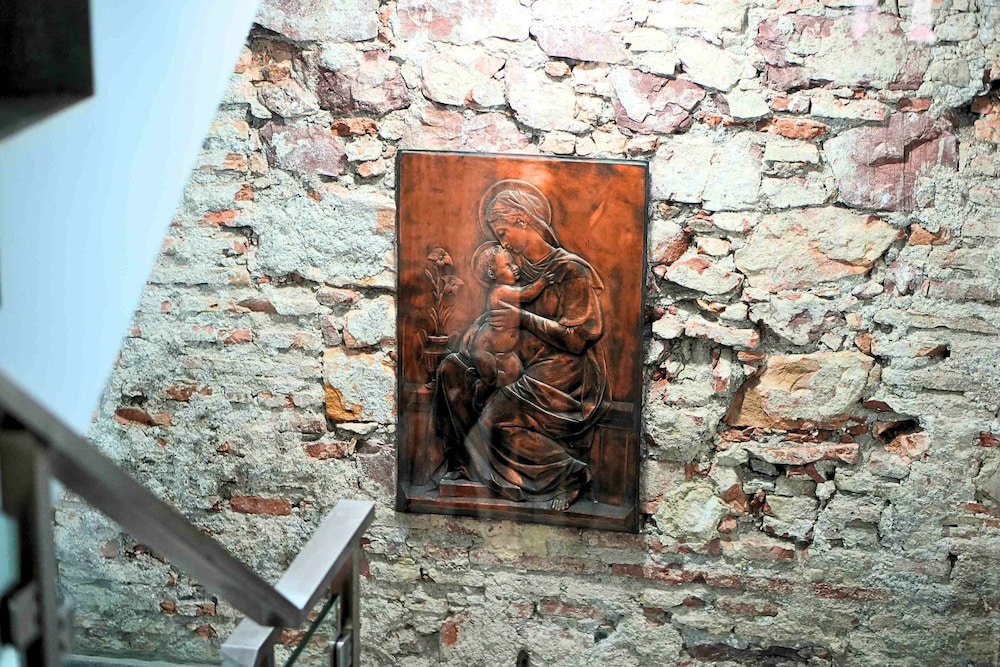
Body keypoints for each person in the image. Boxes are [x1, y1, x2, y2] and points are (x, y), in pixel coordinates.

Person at [434, 184, 610, 511]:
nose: (502, 243)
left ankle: (570, 475)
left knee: (490, 423)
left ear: (522, 220)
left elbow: (576, 339)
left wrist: (523, 318)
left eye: (503, 232)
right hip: (519, 362)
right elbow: (498, 314)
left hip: (561, 374)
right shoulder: (515, 269)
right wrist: (476, 336)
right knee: (451, 370)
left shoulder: (570, 270)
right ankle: (463, 465)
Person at [467, 244, 554, 403]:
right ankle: (479, 392)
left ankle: (499, 401)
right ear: (492, 274)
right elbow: (526, 294)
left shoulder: (507, 290)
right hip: (486, 350)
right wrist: (542, 282)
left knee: (517, 373)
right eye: (508, 266)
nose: (515, 268)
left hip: (506, 353)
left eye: (513, 263)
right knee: (490, 378)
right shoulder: (500, 291)